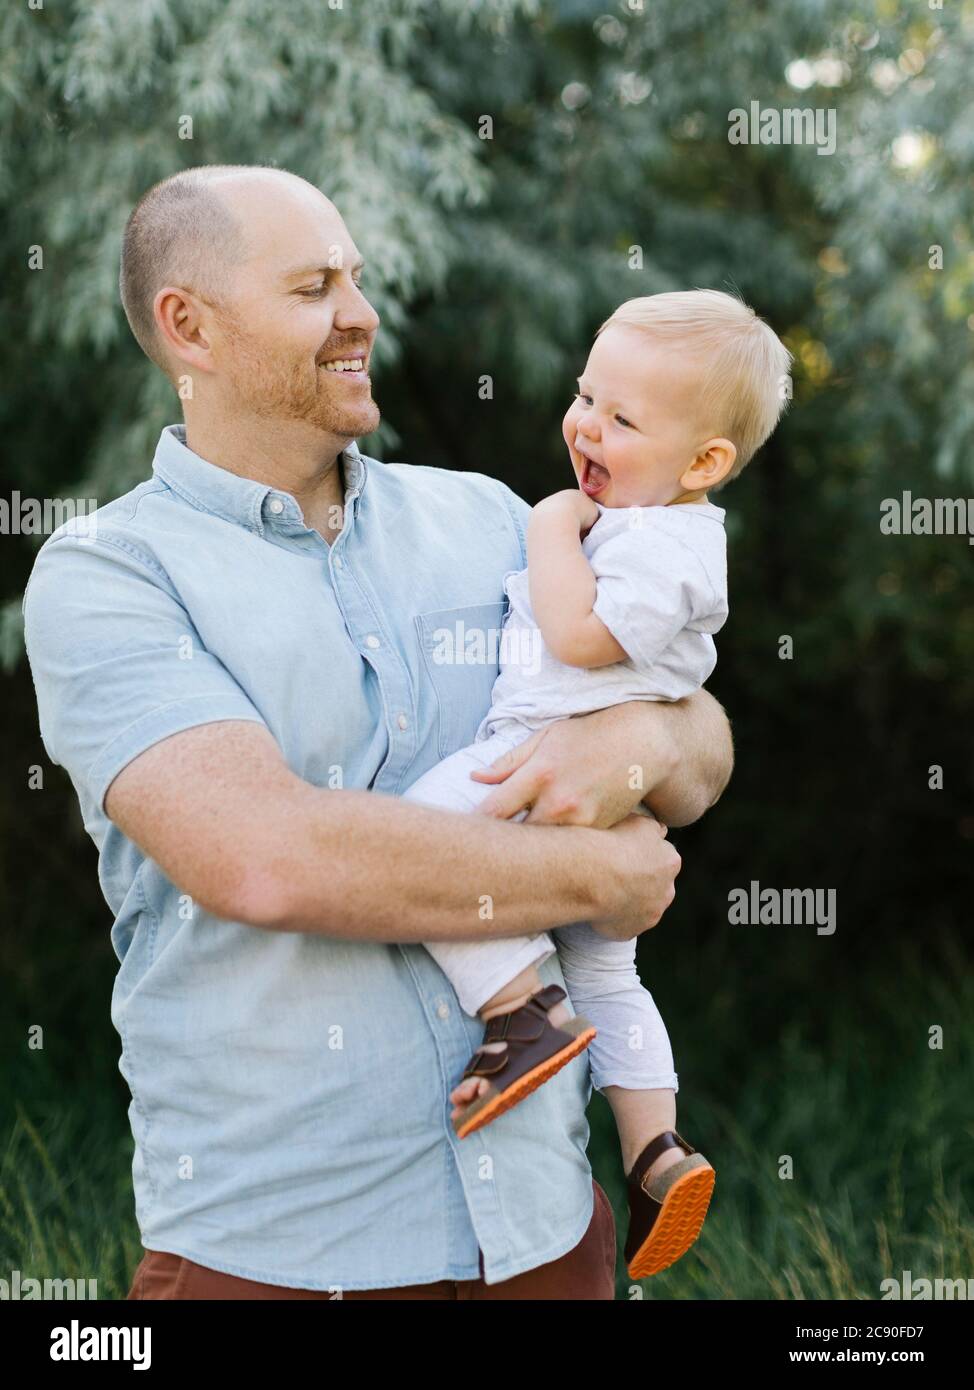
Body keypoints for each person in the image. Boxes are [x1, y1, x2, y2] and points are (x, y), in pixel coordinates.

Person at [22, 164, 733, 1299]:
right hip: (280, 1257)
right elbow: (267, 857)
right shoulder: (109, 577)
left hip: (547, 1238)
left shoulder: (494, 520)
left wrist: (632, 749)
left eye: (355, 277)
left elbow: (700, 736)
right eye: (313, 286)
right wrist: (598, 865)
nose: (360, 312)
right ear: (188, 326)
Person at [403, 289, 792, 1279]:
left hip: (541, 754)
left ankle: (520, 1006)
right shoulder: (655, 527)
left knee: (416, 835)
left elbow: (577, 639)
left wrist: (545, 528)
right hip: (605, 797)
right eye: (586, 396)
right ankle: (656, 1149)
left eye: (622, 419)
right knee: (611, 975)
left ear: (702, 463)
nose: (585, 423)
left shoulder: (657, 542)